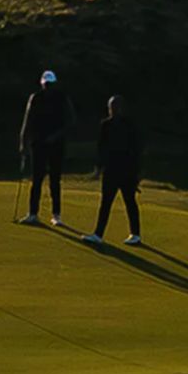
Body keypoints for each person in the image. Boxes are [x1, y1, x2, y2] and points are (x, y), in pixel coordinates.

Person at [82, 95, 143, 245]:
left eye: (115, 107)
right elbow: (101, 148)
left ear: (121, 108)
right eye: (111, 107)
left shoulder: (130, 125)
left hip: (127, 170)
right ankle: (98, 234)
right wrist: (98, 168)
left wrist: (136, 174)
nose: (113, 110)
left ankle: (135, 234)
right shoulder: (105, 125)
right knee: (106, 202)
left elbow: (136, 150)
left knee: (129, 202)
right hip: (110, 170)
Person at [18, 70, 76, 226]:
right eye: (45, 84)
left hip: (56, 145)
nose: (47, 87)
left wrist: (55, 136)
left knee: (54, 180)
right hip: (38, 143)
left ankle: (56, 215)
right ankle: (32, 213)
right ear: (42, 84)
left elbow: (70, 122)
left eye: (50, 84)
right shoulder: (35, 98)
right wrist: (23, 143)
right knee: (36, 179)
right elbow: (27, 121)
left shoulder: (62, 98)